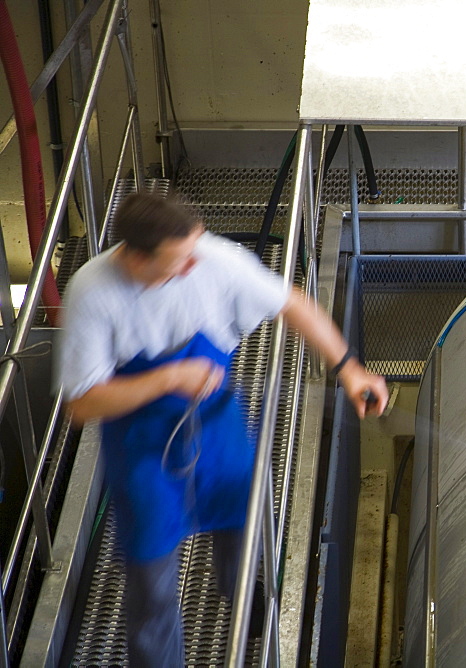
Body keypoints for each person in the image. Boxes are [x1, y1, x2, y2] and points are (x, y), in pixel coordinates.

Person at [55, 192, 388, 667]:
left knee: (244, 522)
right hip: (142, 448)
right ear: (133, 257)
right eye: (180, 260)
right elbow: (82, 403)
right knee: (151, 580)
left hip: (216, 425)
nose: (194, 264)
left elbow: (291, 303)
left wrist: (349, 368)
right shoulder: (94, 291)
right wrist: (168, 379)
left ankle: (245, 598)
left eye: (195, 249)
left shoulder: (212, 258)